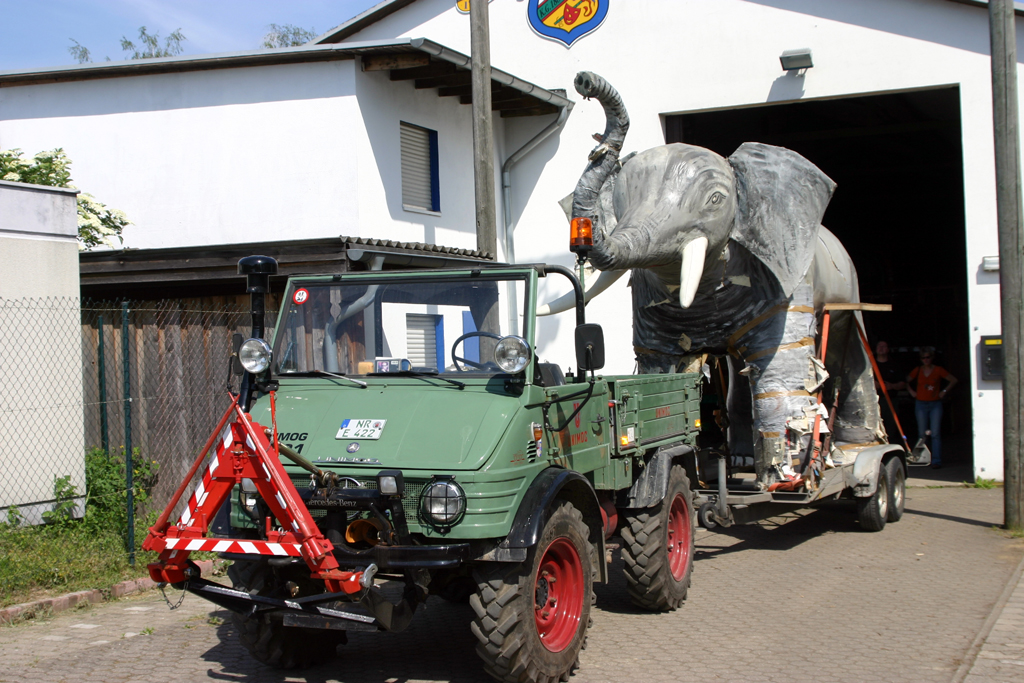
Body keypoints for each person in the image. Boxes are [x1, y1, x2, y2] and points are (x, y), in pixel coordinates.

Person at [907, 347, 957, 469]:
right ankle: (923, 459)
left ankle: (936, 460)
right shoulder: (918, 370)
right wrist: (911, 391)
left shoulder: (938, 370)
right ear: (920, 359)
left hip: (935, 404)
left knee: (935, 433)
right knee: (922, 433)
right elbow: (906, 381)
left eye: (928, 357)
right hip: (920, 404)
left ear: (932, 357)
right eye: (923, 358)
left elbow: (953, 380)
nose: (926, 360)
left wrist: (944, 391)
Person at [874, 341, 907, 445]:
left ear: (888, 349)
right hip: (874, 401)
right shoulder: (870, 365)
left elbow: (903, 383)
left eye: (884, 346)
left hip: (890, 401)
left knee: (891, 427)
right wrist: (873, 383)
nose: (881, 348)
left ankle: (891, 447)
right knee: (876, 427)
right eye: (879, 346)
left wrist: (892, 386)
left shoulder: (894, 365)